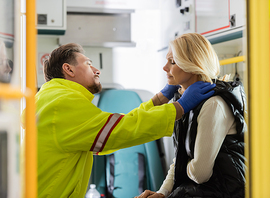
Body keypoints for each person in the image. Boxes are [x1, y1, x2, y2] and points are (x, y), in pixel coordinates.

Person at [32, 43, 216, 198]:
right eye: (88, 64)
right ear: (68, 69)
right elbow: (121, 130)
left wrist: (158, 100)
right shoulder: (62, 104)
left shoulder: (51, 100)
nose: (97, 70)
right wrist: (179, 107)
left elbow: (115, 128)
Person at [136, 33, 246, 198]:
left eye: (172, 62)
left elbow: (200, 173)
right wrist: (162, 193)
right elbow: (181, 157)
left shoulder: (213, 104)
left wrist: (183, 164)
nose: (165, 68)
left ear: (192, 65)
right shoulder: (185, 102)